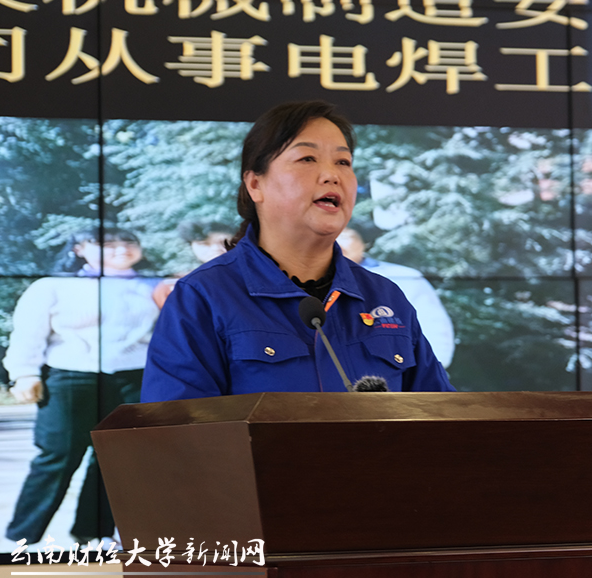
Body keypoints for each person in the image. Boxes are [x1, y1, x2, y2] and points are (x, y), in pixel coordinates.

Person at [142, 101, 455, 401]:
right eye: (307, 158)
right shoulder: (203, 297)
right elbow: (179, 428)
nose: (332, 175)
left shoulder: (384, 297)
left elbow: (439, 417)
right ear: (255, 184)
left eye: (343, 162)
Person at [3, 228, 159, 546]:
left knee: (117, 458)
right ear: (79, 249)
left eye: (128, 242)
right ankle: (22, 538)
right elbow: (28, 333)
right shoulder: (52, 286)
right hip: (70, 378)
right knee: (57, 455)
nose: (121, 249)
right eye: (107, 244)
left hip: (135, 378)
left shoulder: (155, 286)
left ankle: (94, 533)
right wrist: (24, 373)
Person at [336, 228, 456, 368]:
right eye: (329, 236)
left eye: (344, 236)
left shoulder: (404, 276)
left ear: (364, 243)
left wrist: (431, 370)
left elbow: (433, 326)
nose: (337, 243)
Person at [152, 220, 234, 308]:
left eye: (223, 242)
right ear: (192, 246)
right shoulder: (175, 287)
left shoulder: (243, 276)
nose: (215, 248)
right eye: (204, 243)